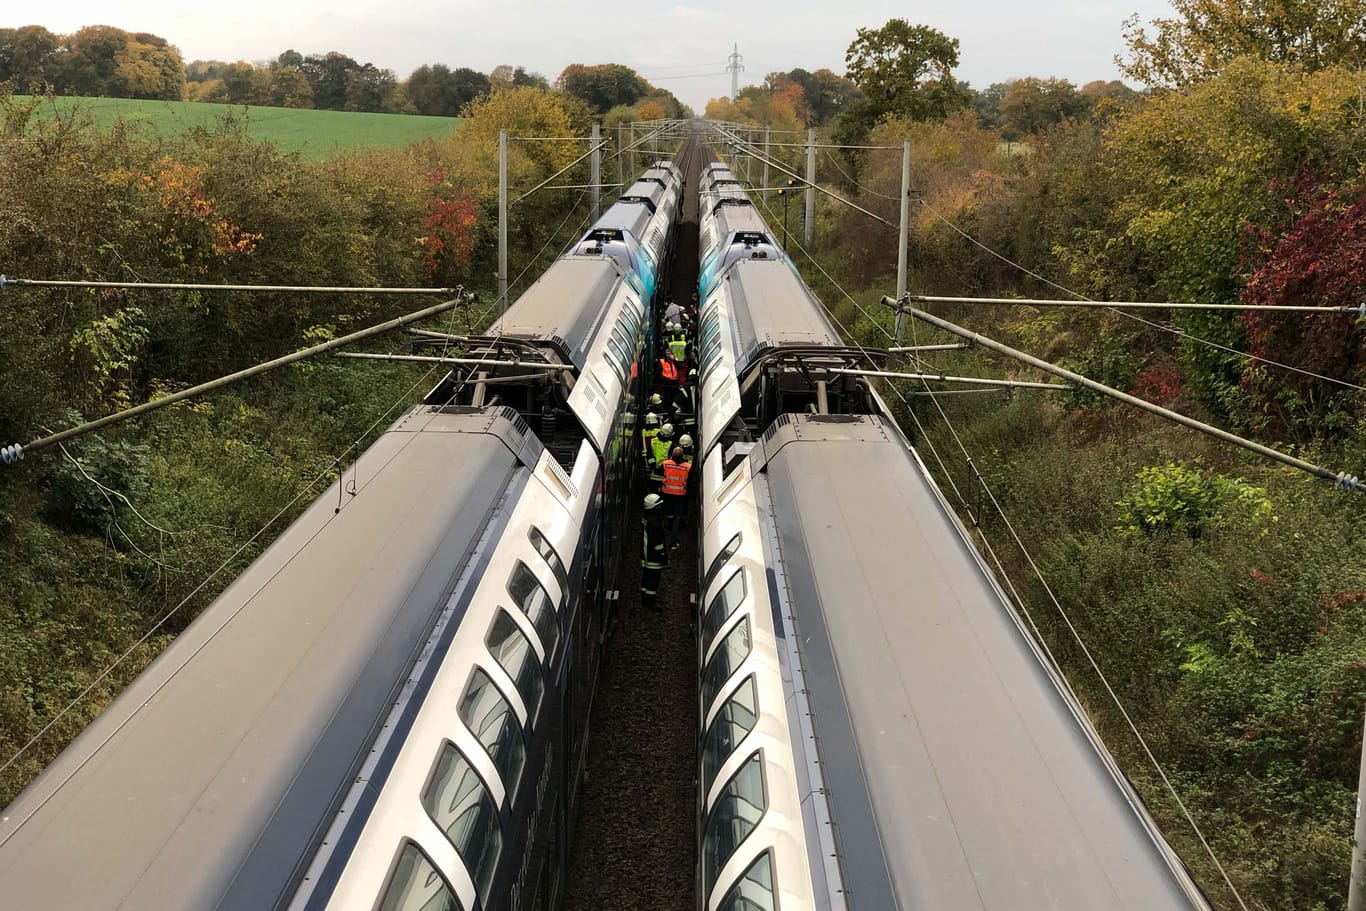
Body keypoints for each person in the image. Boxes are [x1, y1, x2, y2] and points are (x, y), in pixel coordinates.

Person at [661, 445, 692, 549]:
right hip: (680, 495)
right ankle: (673, 540)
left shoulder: (665, 464)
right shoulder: (687, 467)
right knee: (676, 518)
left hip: (667, 493)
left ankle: (661, 537)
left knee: (666, 515)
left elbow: (660, 474)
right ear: (682, 456)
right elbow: (690, 482)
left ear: (672, 455)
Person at [640, 494, 667, 609]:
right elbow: (658, 542)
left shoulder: (646, 519)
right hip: (653, 558)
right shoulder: (655, 522)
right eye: (659, 506)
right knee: (653, 580)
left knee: (646, 578)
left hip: (645, 556)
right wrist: (663, 555)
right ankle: (650, 603)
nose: (661, 508)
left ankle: (644, 599)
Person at [649, 423, 674, 492]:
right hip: (665, 473)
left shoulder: (653, 441)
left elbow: (649, 456)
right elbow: (672, 459)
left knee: (653, 493)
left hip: (654, 472)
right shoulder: (671, 444)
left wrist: (654, 465)